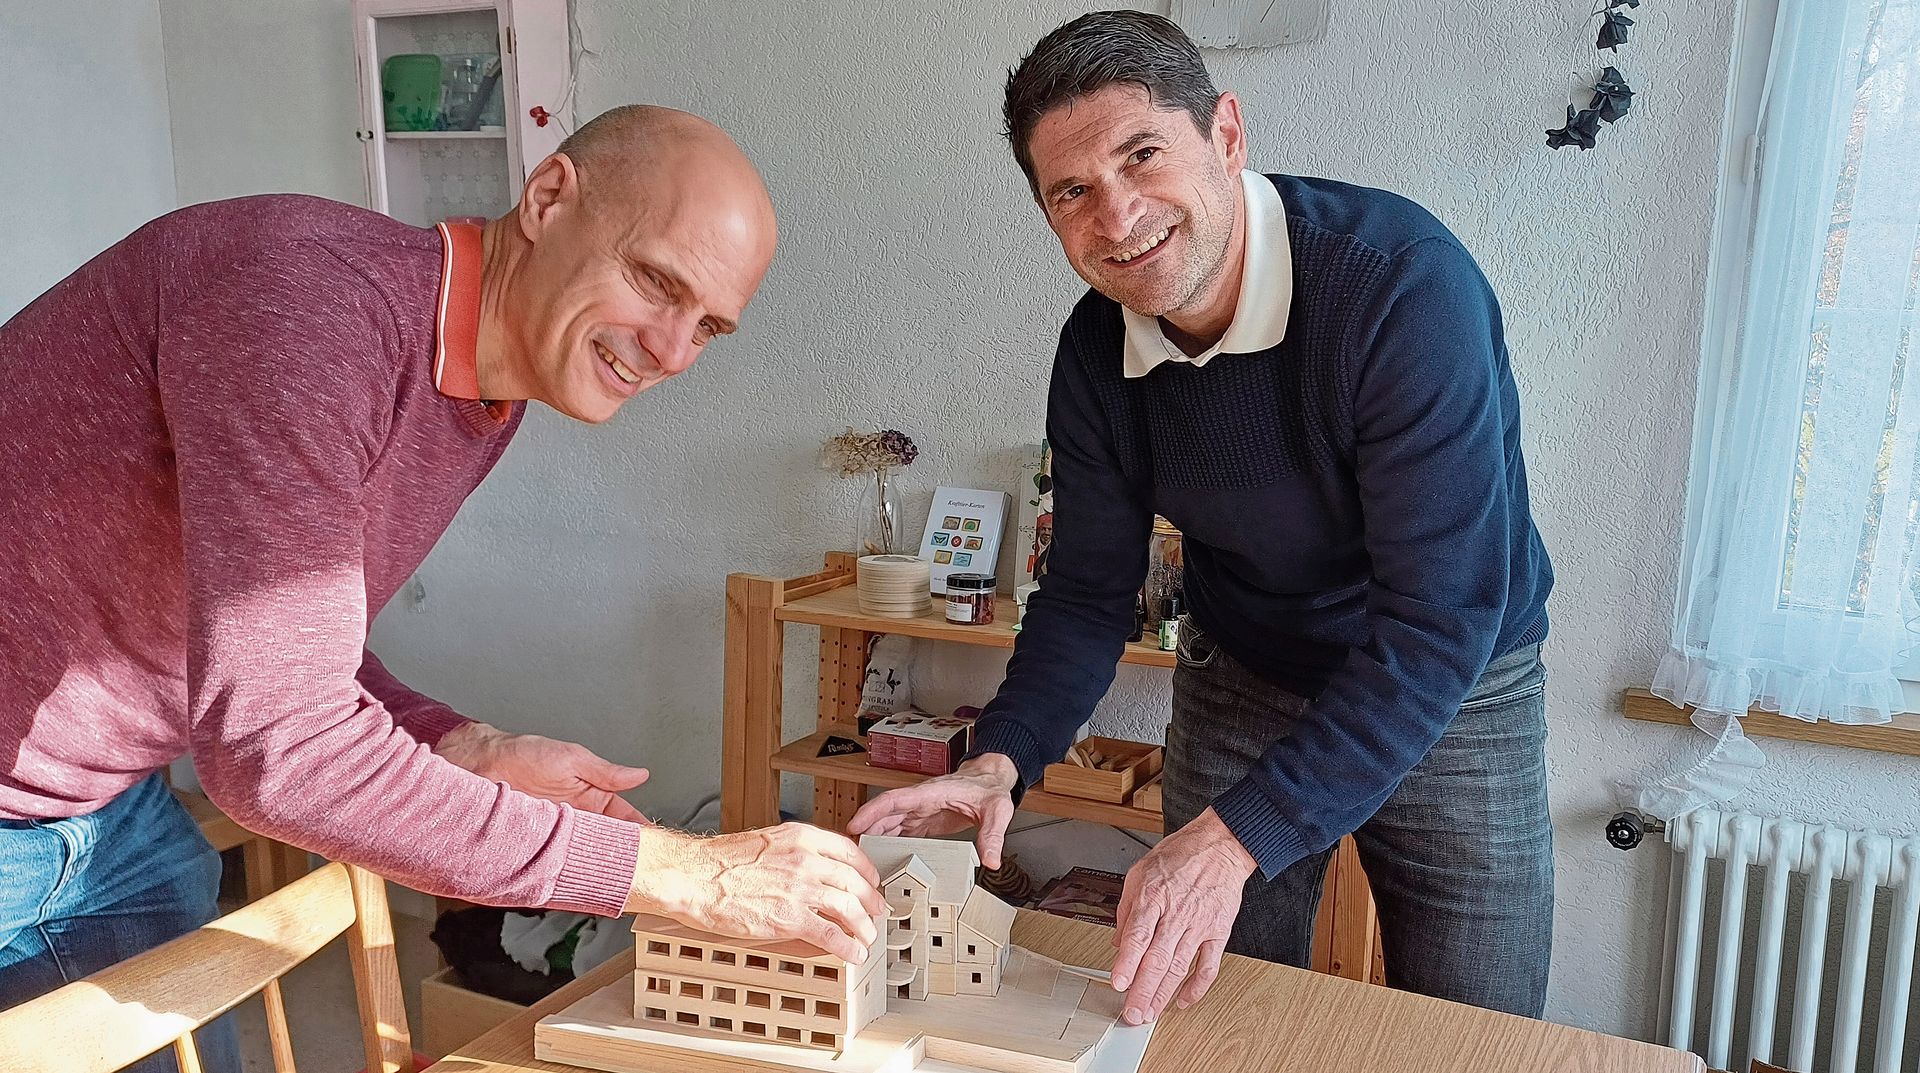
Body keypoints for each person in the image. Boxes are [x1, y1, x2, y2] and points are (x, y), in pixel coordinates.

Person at [0, 105, 885, 1070]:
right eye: (654, 281)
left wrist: (457, 741)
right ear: (547, 197)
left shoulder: (480, 391)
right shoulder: (304, 302)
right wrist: (684, 874)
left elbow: (283, 637)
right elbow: (281, 752)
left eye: (707, 326)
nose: (672, 352)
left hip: (95, 801)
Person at [852, 12, 1554, 1026]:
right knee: (1198, 1003)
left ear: (1226, 134)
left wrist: (1234, 837)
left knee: (1477, 1024)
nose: (1119, 213)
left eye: (1143, 155)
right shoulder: (1095, 352)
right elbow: (1089, 590)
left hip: (1459, 682)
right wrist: (1000, 756)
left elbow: (1441, 615)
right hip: (1251, 669)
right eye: (1073, 192)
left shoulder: (1402, 289)